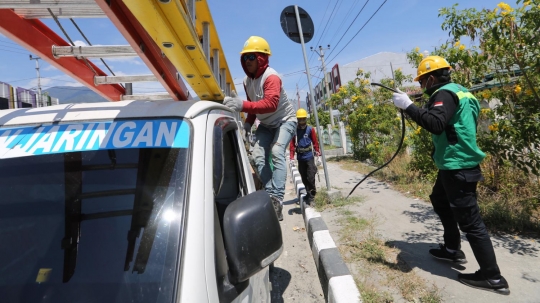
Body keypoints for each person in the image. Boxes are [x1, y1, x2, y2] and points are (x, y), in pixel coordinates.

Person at [391, 55, 510, 295]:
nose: (423, 88)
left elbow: (435, 123)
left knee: (471, 223)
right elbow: (446, 119)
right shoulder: (460, 91)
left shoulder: (443, 94)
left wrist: (408, 106)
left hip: (458, 167)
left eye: (423, 83)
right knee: (440, 200)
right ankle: (452, 248)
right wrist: (412, 103)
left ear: (431, 78)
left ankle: (493, 276)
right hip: (453, 165)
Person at [223, 36, 297, 221]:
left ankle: (277, 200)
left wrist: (242, 105)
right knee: (256, 156)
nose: (247, 62)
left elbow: (270, 104)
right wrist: (248, 123)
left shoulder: (271, 77)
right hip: (265, 124)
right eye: (245, 58)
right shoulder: (247, 82)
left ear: (261, 58)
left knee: (277, 151)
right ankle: (271, 192)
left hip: (284, 121)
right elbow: (255, 106)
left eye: (251, 57)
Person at [289, 108, 320, 206]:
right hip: (300, 158)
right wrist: (291, 158)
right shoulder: (295, 131)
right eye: (300, 119)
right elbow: (292, 145)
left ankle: (312, 196)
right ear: (297, 120)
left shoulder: (310, 129)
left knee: (311, 176)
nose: (302, 122)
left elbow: (315, 143)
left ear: (306, 119)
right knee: (303, 177)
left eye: (303, 119)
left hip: (309, 157)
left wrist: (318, 154)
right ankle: (308, 193)